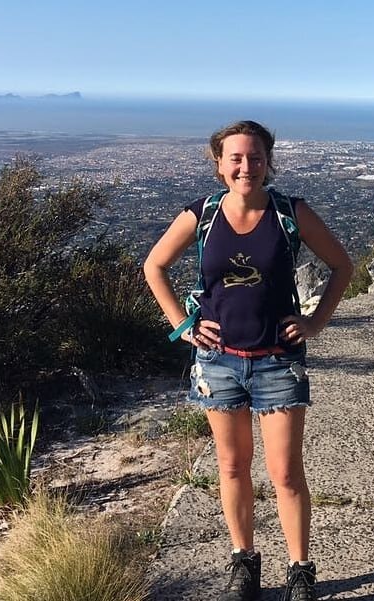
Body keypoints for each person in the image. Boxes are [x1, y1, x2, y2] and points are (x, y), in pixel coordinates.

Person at [144, 120, 353, 601]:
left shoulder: (290, 213)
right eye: (235, 158)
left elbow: (342, 265)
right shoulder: (203, 215)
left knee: (284, 472)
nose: (246, 166)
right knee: (232, 466)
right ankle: (245, 564)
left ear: (268, 162)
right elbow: (154, 266)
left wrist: (316, 322)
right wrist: (183, 325)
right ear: (218, 164)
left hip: (278, 363)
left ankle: (300, 571)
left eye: (254, 157)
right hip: (218, 363)